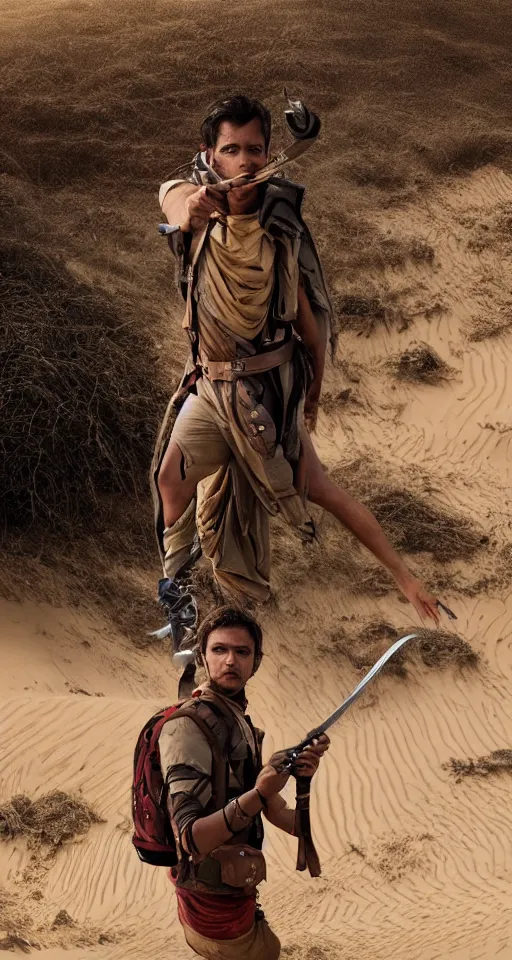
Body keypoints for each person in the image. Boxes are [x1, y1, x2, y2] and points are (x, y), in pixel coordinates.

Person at [151, 94, 441, 632]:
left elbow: (310, 328)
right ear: (210, 155)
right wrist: (187, 209)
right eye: (230, 149)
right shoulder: (193, 205)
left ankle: (406, 579)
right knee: (170, 479)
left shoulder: (281, 229)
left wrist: (310, 399)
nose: (243, 161)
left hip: (269, 399)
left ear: (267, 154)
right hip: (213, 390)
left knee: (320, 490)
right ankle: (179, 596)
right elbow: (172, 198)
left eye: (254, 150)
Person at [159, 604, 329, 959]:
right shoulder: (187, 727)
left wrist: (302, 782)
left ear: (257, 661)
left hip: (236, 892)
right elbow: (190, 838)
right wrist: (259, 792)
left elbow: (289, 822)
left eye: (242, 651)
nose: (231, 661)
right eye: (219, 650)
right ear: (204, 657)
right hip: (208, 901)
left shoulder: (242, 725)